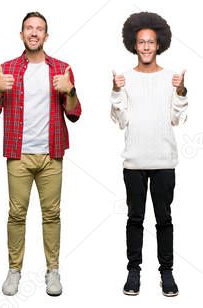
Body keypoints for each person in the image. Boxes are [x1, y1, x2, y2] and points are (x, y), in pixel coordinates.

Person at [0, 12, 81, 297]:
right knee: (16, 214)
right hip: (19, 154)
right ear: (22, 34)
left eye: (39, 29)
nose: (34, 33)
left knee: (52, 214)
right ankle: (14, 270)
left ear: (46, 36)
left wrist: (71, 90)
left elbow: (74, 113)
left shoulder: (62, 69)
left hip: (51, 154)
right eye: (29, 28)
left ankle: (53, 271)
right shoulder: (7, 68)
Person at [111, 12, 186, 297]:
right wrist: (116, 91)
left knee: (164, 219)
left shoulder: (171, 78)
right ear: (133, 44)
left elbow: (177, 119)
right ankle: (133, 272)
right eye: (141, 42)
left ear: (158, 45)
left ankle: (166, 272)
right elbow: (121, 120)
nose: (145, 47)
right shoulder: (125, 79)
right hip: (134, 162)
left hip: (164, 161)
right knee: (134, 219)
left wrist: (180, 92)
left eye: (150, 42)